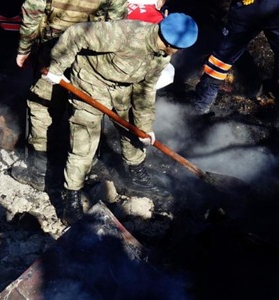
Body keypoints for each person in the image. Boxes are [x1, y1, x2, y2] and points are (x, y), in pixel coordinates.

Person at [44, 13, 198, 223]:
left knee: (133, 133)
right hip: (90, 85)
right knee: (83, 145)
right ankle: (71, 198)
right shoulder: (126, 33)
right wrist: (57, 68)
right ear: (171, 42)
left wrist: (144, 127)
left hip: (122, 90)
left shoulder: (162, 56)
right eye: (179, 48)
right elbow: (77, 33)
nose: (179, 52)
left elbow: (145, 90)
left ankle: (137, 174)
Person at [10, 0, 127, 189]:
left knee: (41, 106)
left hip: (51, 52)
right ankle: (83, 166)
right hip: (89, 59)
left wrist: (24, 50)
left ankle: (38, 169)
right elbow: (116, 29)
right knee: (85, 113)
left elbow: (31, 15)